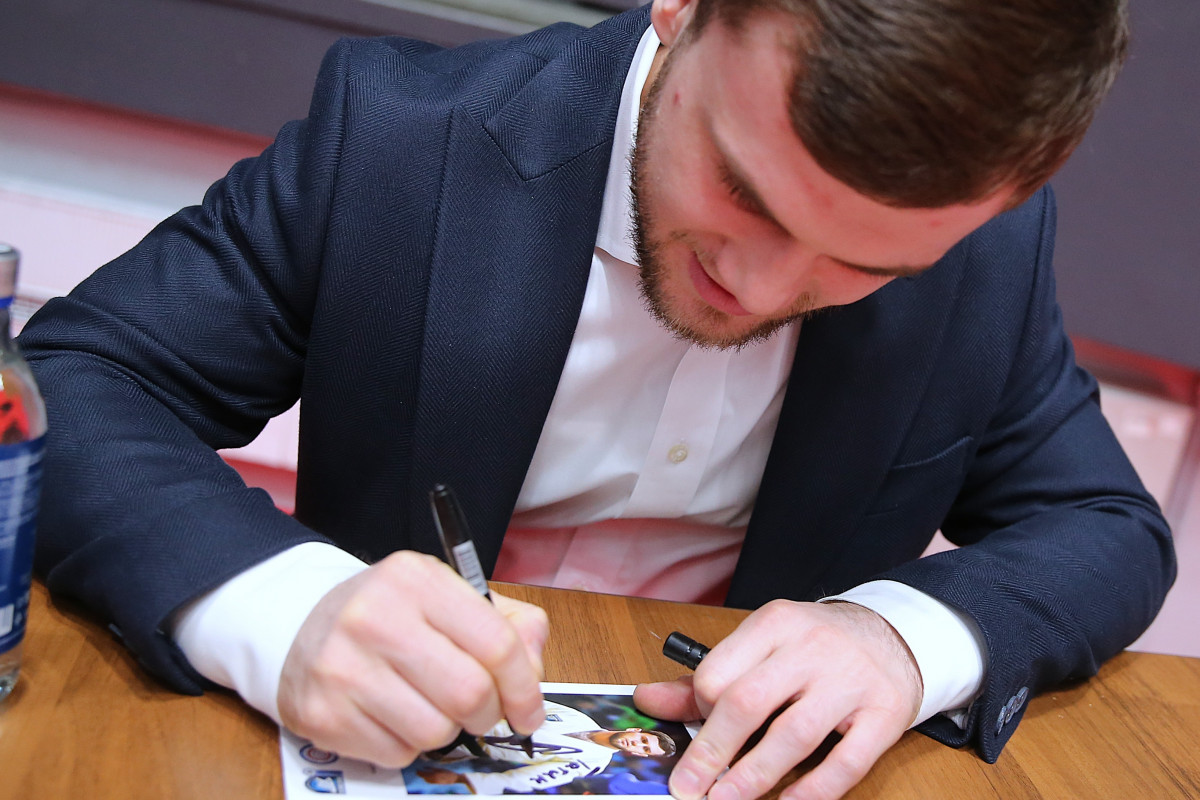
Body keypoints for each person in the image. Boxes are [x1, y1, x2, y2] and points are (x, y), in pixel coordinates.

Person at [20, 1, 1175, 799]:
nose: (759, 289)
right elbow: (74, 379)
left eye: (863, 266)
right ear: (683, 9)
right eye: (743, 190)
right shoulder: (399, 139)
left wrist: (899, 638)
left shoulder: (985, 254)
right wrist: (285, 606)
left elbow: (1103, 523)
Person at [416, 698, 676, 793]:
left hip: (463, 748)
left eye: (644, 749)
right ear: (635, 730)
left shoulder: (591, 763)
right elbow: (530, 704)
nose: (637, 744)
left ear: (637, 754)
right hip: (467, 715)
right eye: (644, 740)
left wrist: (459, 779)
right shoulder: (579, 718)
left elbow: (530, 779)